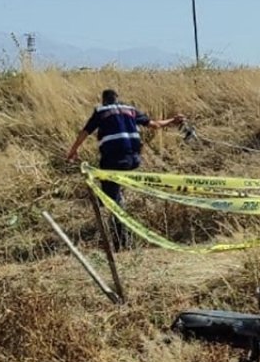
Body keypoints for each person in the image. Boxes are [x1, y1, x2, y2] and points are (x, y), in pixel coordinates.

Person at [65, 88, 185, 248]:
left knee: (112, 199)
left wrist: (73, 151)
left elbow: (85, 132)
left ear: (103, 100)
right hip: (133, 159)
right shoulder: (130, 109)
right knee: (112, 191)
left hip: (113, 160)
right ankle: (114, 202)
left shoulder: (101, 111)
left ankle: (122, 241)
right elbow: (155, 125)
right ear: (117, 99)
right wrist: (173, 121)